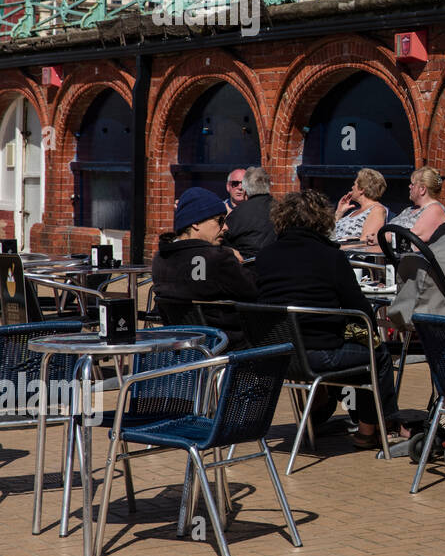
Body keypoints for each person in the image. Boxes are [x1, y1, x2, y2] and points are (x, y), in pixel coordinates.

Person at [255, 190, 400, 449]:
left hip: (277, 355)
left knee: (353, 345)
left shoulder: (265, 256)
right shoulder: (330, 257)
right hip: (318, 354)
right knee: (375, 352)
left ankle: (320, 410)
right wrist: (364, 333)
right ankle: (374, 430)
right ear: (321, 220)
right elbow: (361, 309)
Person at [152, 186, 257, 344]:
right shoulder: (217, 259)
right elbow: (255, 290)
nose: (226, 227)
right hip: (227, 350)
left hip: (181, 349)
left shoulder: (160, 258)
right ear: (196, 223)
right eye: (220, 220)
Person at [384, 167, 445, 246]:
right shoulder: (410, 209)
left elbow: (412, 237)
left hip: (415, 258)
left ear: (422, 189)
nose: (409, 186)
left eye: (412, 184)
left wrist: (382, 237)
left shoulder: (435, 209)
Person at [222, 166, 275, 259]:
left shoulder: (238, 213)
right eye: (235, 183)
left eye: (242, 184)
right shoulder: (281, 208)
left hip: (247, 265)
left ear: (246, 188)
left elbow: (221, 241)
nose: (239, 187)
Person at [333, 168, 388, 249]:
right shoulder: (354, 212)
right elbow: (331, 233)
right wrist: (339, 212)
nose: (352, 187)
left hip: (347, 256)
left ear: (362, 189)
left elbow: (366, 241)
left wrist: (336, 248)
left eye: (354, 184)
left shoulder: (377, 209)